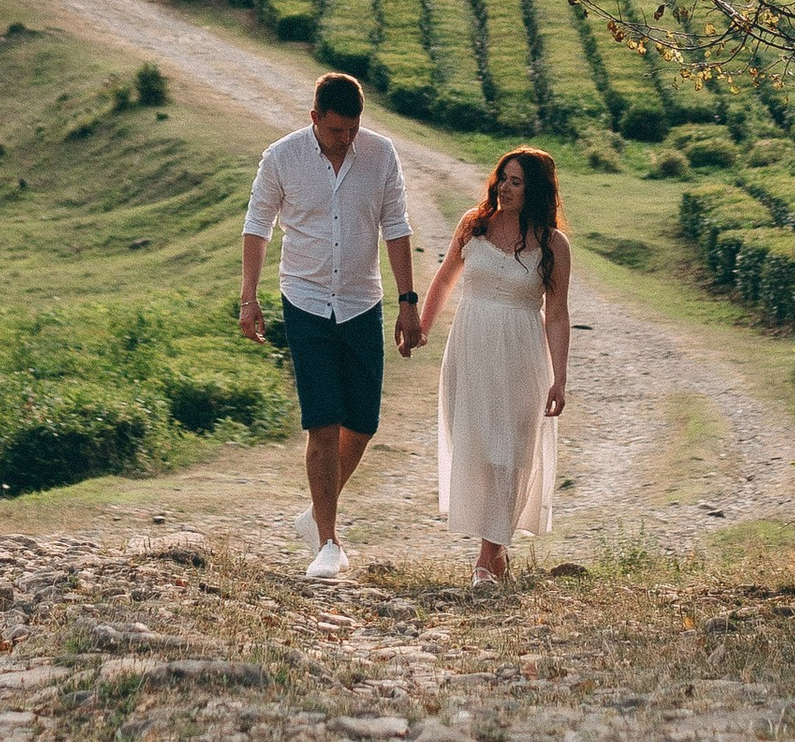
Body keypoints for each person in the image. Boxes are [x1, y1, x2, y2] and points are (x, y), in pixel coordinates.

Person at [240, 71, 421, 579]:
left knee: (362, 424)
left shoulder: (381, 154)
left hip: (363, 300)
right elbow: (257, 227)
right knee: (322, 423)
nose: (347, 140)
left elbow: (397, 227)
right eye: (337, 130)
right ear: (315, 118)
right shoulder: (281, 158)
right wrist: (248, 298)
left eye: (353, 129)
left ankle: (318, 511)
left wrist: (408, 302)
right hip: (306, 299)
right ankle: (328, 542)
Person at [416, 148, 571, 586]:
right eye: (502, 178)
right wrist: (422, 326)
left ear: (535, 189)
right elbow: (446, 277)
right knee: (479, 447)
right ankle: (496, 551)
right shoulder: (474, 225)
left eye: (516, 181)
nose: (504, 186)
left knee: (511, 454)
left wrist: (560, 377)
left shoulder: (554, 245)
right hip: (471, 349)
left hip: (523, 355)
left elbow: (557, 315)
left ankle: (487, 557)